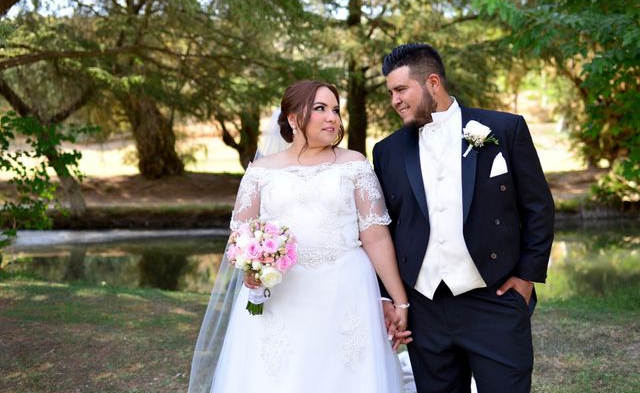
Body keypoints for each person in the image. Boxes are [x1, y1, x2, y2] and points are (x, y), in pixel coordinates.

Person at [189, 80, 410, 393]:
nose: (332, 117)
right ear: (293, 118)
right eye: (320, 108)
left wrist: (399, 301)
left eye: (335, 109)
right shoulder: (261, 171)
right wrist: (251, 270)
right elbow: (239, 236)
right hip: (282, 293)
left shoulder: (355, 165)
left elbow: (376, 236)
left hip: (346, 291)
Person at [373, 43, 555, 393]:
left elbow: (538, 208)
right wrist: (391, 297)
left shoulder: (505, 129)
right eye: (390, 93)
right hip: (425, 309)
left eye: (400, 90)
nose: (394, 100)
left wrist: (526, 279)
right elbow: (385, 230)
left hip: (494, 300)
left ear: (433, 82)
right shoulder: (387, 152)